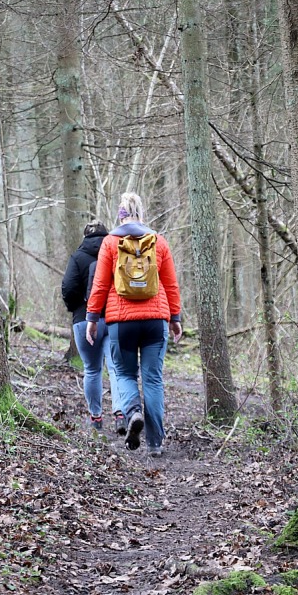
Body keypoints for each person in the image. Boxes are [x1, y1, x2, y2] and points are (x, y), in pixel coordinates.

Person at [86, 193, 182, 457]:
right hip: (155, 321)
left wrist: (92, 318)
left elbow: (101, 284)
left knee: (125, 374)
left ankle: (133, 412)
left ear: (121, 214)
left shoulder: (110, 242)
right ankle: (155, 443)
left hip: (121, 322)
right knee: (153, 379)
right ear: (141, 212)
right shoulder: (159, 242)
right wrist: (175, 318)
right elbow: (171, 284)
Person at [61, 220, 126, 435]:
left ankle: (96, 418)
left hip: (84, 319)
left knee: (92, 369)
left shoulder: (77, 257)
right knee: (116, 369)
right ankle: (120, 413)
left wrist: (78, 308)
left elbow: (68, 287)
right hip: (115, 319)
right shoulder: (116, 253)